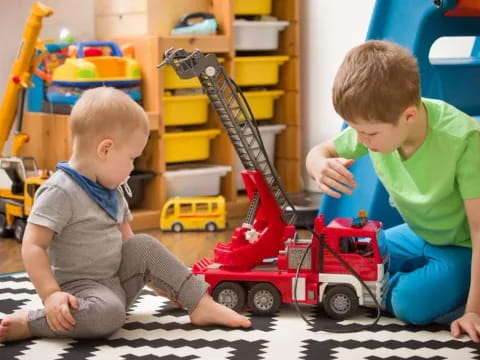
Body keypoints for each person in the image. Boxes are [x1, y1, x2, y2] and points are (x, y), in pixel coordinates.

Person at [0, 87, 251, 343]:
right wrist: (51, 294)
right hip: (81, 292)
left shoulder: (112, 190)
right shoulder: (60, 191)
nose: (132, 168)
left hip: (115, 282)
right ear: (105, 150)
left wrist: (166, 282)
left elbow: (130, 245)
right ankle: (33, 322)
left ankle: (199, 302)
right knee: (106, 315)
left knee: (142, 244)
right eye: (132, 158)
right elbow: (33, 245)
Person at [306, 40, 480, 342]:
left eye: (369, 134)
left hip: (463, 246)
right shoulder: (376, 124)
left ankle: (449, 296)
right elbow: (322, 150)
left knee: (408, 304)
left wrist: (474, 311)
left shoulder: (463, 140)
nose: (361, 140)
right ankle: (394, 289)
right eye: (355, 130)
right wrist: (318, 163)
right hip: (420, 234)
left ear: (409, 116)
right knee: (348, 255)